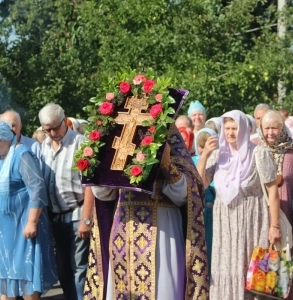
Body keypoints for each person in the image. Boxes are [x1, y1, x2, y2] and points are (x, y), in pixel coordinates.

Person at [83, 125, 210, 300]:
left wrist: (166, 164)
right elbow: (103, 194)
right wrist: (102, 168)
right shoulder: (117, 129)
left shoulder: (168, 132)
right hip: (123, 228)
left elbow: (187, 195)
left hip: (163, 230)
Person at [197, 110, 280, 299]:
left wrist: (274, 226)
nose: (230, 133)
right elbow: (201, 183)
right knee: (226, 267)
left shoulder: (259, 153)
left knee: (252, 271)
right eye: (227, 128)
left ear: (244, 128)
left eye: (235, 128)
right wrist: (204, 156)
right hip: (224, 222)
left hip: (252, 221)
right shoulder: (218, 154)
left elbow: (273, 190)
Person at [0, 119, 57, 299]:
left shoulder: (22, 154)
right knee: (6, 276)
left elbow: (37, 189)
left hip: (22, 228)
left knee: (25, 273)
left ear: (3, 138)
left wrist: (32, 222)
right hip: (2, 233)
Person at [39, 103, 92, 300]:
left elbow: (90, 185)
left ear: (64, 121)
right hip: (55, 217)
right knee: (62, 269)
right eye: (47, 129)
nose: (52, 133)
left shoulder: (80, 143)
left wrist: (86, 219)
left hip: (77, 214)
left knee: (79, 268)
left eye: (55, 127)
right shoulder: (43, 146)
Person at [259, 110, 293, 300]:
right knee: (265, 267)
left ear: (282, 129)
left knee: (285, 266)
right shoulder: (257, 151)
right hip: (262, 216)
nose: (270, 132)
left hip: (287, 217)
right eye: (266, 128)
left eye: (274, 128)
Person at [193, 128, 218, 279]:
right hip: (201, 213)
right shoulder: (193, 161)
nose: (204, 148)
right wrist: (204, 156)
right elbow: (198, 184)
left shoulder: (220, 158)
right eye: (201, 145)